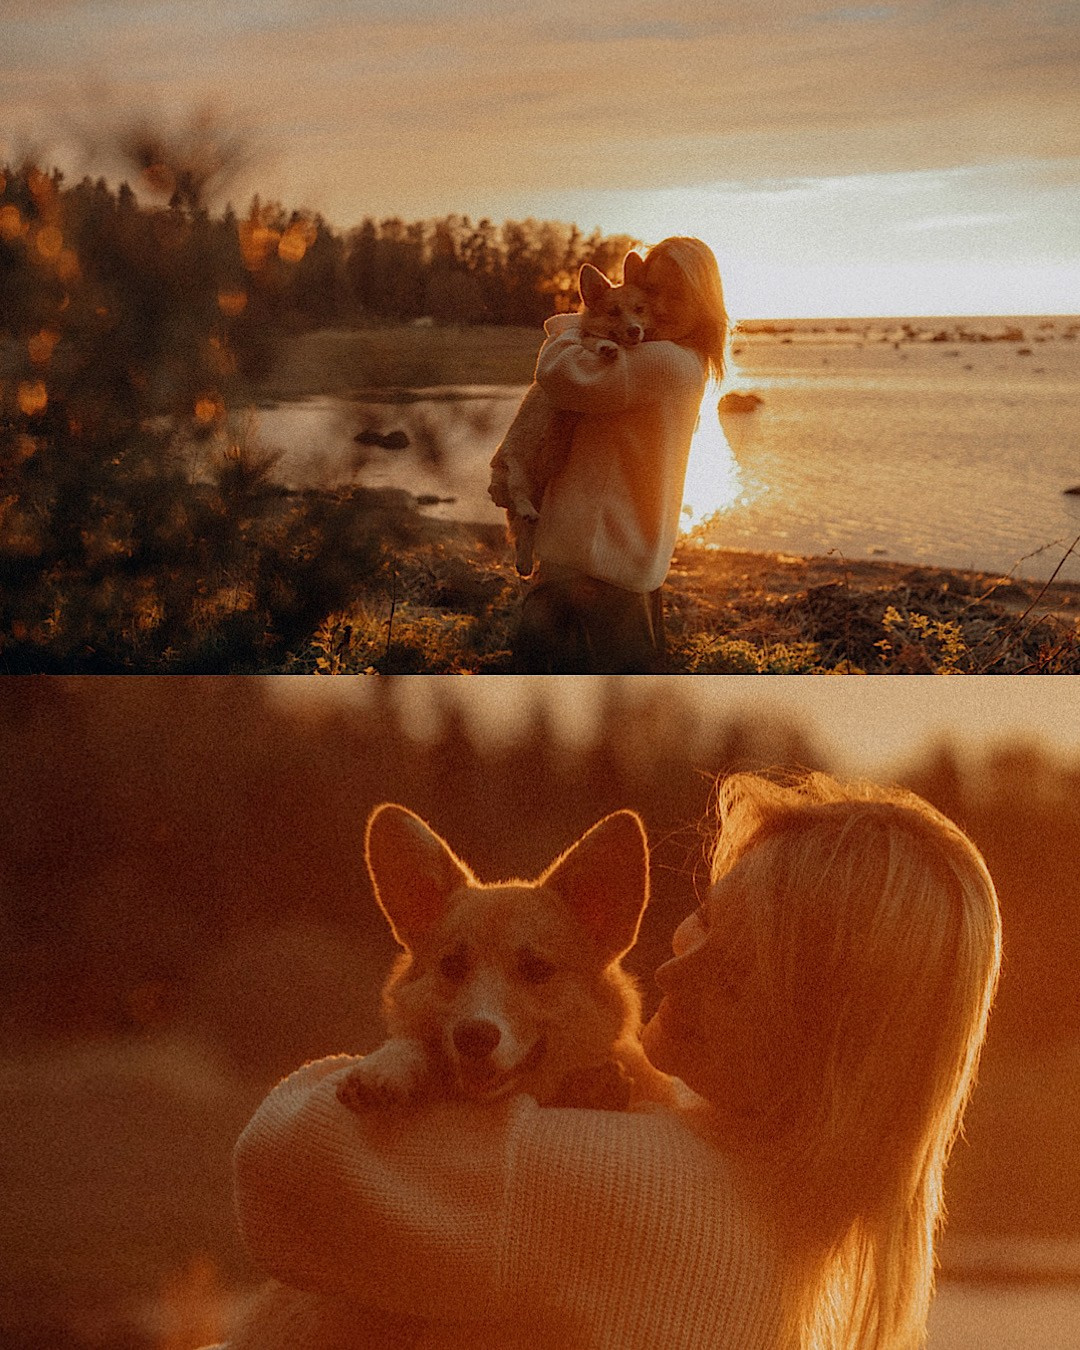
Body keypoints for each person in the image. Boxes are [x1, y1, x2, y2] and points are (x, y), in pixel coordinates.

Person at [231, 772, 1002, 1350]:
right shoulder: (795, 1210)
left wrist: (412, 1058)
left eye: (734, 973)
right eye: (702, 920)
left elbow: (283, 1159)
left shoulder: (642, 1187)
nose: (669, 972)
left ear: (824, 1037)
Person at [513, 237, 729, 674]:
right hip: (626, 564)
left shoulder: (664, 363)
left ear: (704, 302)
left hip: (592, 569)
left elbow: (560, 374)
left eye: (678, 294)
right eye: (652, 290)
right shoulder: (686, 359)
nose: (660, 306)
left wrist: (570, 327)